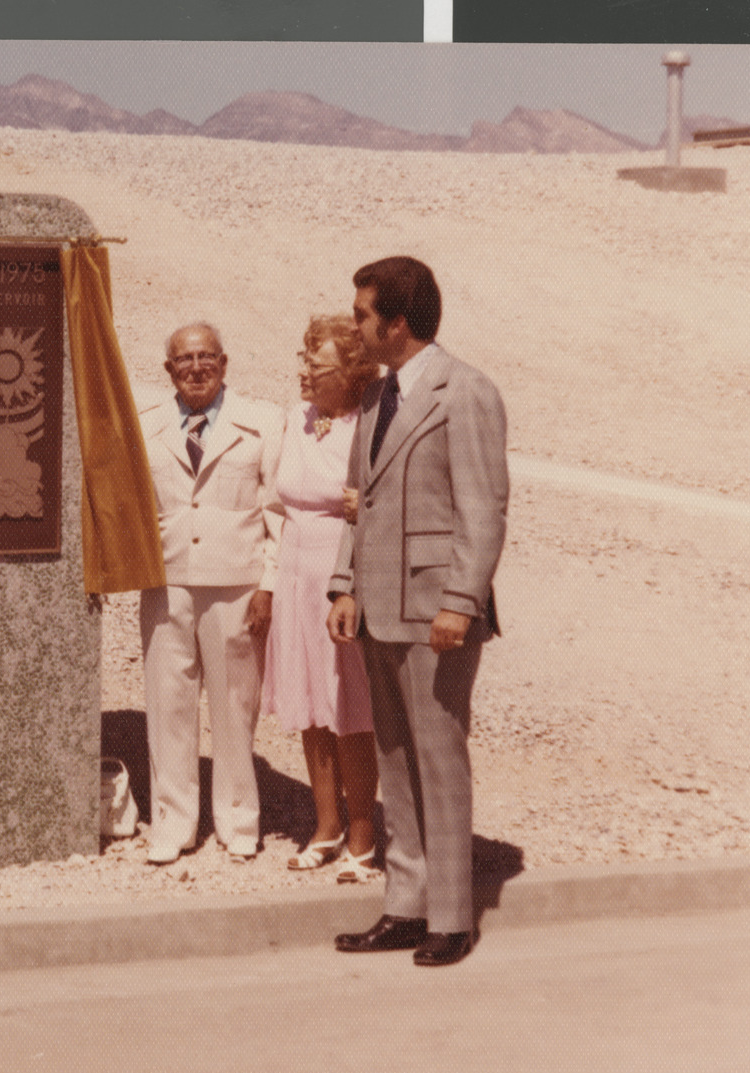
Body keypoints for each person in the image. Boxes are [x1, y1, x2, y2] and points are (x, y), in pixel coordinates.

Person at [327, 256, 508, 967]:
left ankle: (452, 916)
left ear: (397, 322)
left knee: (439, 758)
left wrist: (461, 602)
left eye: (363, 313)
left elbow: (484, 509)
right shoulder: (375, 397)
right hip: (378, 607)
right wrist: (345, 585)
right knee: (395, 759)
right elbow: (358, 501)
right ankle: (405, 904)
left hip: (437, 612)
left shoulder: (465, 392)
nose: (355, 325)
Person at [137, 322, 284, 864]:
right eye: (183, 360)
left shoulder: (264, 421)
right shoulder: (146, 422)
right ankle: (173, 823)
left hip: (236, 582)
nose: (195, 368)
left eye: (206, 358)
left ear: (224, 364)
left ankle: (238, 819)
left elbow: (278, 511)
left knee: (234, 707)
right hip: (166, 578)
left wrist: (268, 585)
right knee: (167, 705)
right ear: (168, 370)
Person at [263, 315, 382, 884]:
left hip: (342, 578)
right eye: (305, 359)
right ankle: (326, 825)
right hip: (294, 573)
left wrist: (369, 508)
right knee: (311, 705)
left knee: (351, 710)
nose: (305, 371)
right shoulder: (295, 418)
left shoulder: (370, 423)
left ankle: (363, 835)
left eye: (319, 364)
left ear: (353, 374)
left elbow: (387, 500)